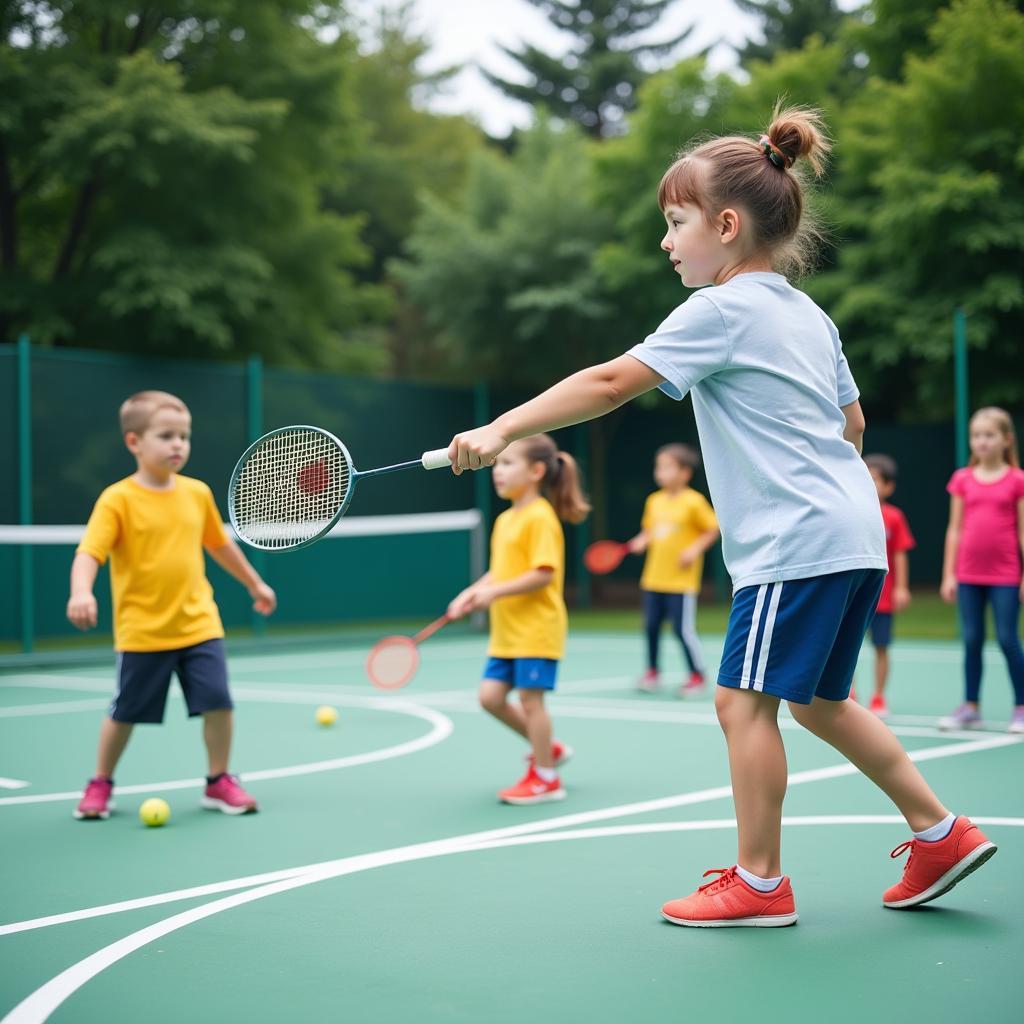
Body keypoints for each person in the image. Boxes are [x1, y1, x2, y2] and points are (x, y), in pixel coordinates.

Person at [446, 105, 996, 924]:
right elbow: (852, 427)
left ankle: (761, 883)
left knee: (742, 702)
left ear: (727, 225)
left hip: (795, 542)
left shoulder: (719, 311)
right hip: (853, 537)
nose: (667, 242)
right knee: (819, 702)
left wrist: (501, 428)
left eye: (676, 223)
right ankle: (939, 833)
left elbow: (605, 385)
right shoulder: (810, 316)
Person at [68, 391, 277, 820]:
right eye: (166, 435)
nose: (178, 444)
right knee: (125, 713)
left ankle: (218, 781)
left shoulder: (197, 493)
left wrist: (255, 583)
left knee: (219, 701)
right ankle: (100, 782)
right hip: (143, 632)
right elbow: (90, 552)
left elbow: (220, 547)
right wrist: (81, 591)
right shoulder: (117, 499)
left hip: (200, 623)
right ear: (134, 442)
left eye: (184, 435)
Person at [447, 434, 589, 805]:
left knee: (531, 701)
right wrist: (471, 592)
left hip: (537, 629)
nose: (499, 471)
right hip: (508, 632)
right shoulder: (506, 520)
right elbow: (501, 571)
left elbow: (543, 573)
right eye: (499, 463)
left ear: (537, 471)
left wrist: (492, 594)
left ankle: (546, 778)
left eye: (508, 463)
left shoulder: (540, 517)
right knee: (490, 698)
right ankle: (548, 749)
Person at [939, 407, 1024, 733]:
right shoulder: (962, 479)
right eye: (976, 436)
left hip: (1006, 575)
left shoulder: (1017, 480)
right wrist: (950, 574)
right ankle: (970, 707)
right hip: (968, 575)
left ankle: (1020, 707)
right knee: (972, 639)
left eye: (989, 435)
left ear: (1006, 440)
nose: (982, 442)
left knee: (1007, 639)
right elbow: (954, 530)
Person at [628, 443, 718, 697]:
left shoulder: (694, 502)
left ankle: (697, 674)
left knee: (682, 630)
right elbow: (649, 531)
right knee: (651, 627)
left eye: (667, 467)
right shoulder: (654, 501)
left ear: (685, 472)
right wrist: (641, 541)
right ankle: (652, 672)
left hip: (681, 582)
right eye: (659, 467)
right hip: (653, 578)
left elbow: (712, 528)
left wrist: (694, 549)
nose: (660, 473)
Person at [859, 454, 915, 719]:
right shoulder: (852, 512)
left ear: (888, 487)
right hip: (854, 596)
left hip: (882, 598)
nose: (868, 485)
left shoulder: (894, 517)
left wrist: (901, 587)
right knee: (847, 645)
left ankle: (879, 696)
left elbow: (901, 553)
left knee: (881, 646)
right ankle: (847, 692)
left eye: (874, 480)